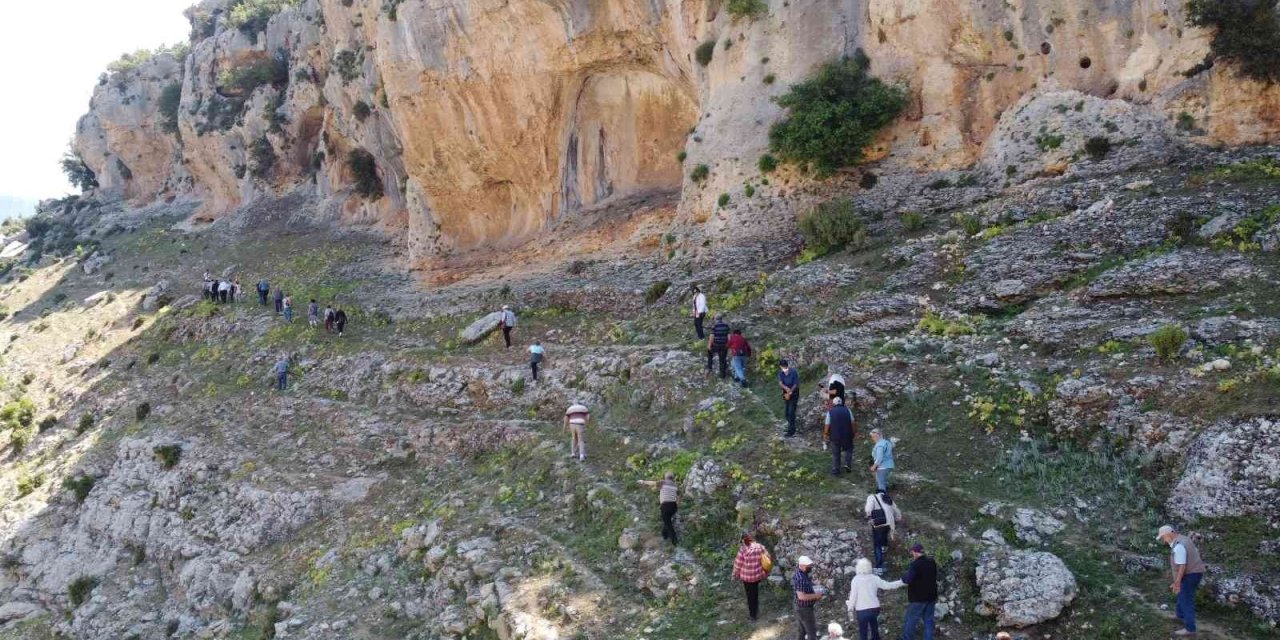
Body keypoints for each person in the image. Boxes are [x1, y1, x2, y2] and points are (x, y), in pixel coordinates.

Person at [1158, 524, 1206, 636]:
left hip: (1191, 574)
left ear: (1169, 534)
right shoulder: (1183, 538)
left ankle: (1190, 629)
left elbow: (1182, 567)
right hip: (1195, 572)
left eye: (1163, 537)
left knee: (1186, 600)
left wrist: (1177, 582)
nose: (1163, 540)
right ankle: (1179, 615)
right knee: (1182, 594)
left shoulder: (1178, 546)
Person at [845, 557, 904, 640]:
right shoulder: (874, 578)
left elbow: (853, 596)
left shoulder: (855, 580)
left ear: (858, 568)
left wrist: (849, 607)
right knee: (874, 629)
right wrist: (901, 582)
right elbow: (887, 585)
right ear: (869, 567)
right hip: (874, 608)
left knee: (863, 632)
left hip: (862, 610)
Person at [900, 543, 938, 640]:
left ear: (916, 553)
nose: (912, 554)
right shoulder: (931, 562)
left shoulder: (915, 564)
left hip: (918, 598)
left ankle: (906, 638)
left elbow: (908, 579)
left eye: (913, 552)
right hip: (931, 597)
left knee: (911, 619)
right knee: (928, 621)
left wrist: (903, 576)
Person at [732, 533, 770, 622]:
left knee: (750, 596)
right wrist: (765, 570)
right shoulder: (760, 547)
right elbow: (768, 557)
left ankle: (753, 615)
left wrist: (734, 575)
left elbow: (738, 564)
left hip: (747, 577)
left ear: (743, 540)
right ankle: (756, 609)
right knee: (755, 593)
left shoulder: (743, 550)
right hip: (757, 575)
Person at [865, 489, 902, 574]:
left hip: (879, 523)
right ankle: (884, 548)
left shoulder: (872, 497)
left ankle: (879, 568)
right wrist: (897, 519)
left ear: (876, 492)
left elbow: (868, 509)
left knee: (877, 544)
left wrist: (869, 518)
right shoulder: (888, 498)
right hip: (889, 524)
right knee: (884, 534)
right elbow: (897, 512)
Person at [638, 472, 679, 546]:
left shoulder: (663, 482)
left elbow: (653, 483)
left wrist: (643, 482)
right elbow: (678, 495)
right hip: (674, 506)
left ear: (666, 477)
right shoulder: (675, 485)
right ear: (672, 478)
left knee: (668, 523)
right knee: (667, 520)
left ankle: (674, 540)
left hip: (666, 506)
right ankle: (664, 535)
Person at [792, 556, 825, 640]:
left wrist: (815, 588)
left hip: (799, 607)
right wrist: (817, 596)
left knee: (802, 631)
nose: (810, 567)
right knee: (811, 632)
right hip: (804, 609)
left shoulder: (802, 573)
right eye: (809, 566)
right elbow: (801, 596)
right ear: (802, 565)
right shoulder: (800, 578)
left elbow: (805, 588)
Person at [826, 397, 856, 475]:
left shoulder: (830, 412)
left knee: (836, 453)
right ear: (841, 403)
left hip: (835, 436)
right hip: (847, 435)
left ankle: (836, 470)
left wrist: (825, 434)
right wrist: (854, 432)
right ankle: (847, 465)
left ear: (834, 403)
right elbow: (852, 423)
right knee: (849, 449)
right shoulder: (848, 410)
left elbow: (827, 425)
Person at [778, 359, 800, 437]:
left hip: (794, 393)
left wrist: (790, 391)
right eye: (782, 366)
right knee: (787, 413)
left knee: (791, 412)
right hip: (786, 394)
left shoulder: (793, 372)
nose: (784, 368)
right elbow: (780, 383)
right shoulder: (781, 373)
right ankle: (791, 425)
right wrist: (786, 388)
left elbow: (796, 384)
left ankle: (791, 431)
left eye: (785, 366)